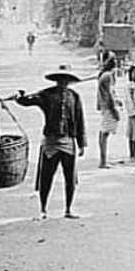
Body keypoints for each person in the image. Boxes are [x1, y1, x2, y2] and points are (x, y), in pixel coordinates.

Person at [15, 64, 86, 220]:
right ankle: (43, 209)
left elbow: (80, 120)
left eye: (66, 80)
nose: (63, 83)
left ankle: (68, 209)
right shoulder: (46, 95)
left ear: (69, 81)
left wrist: (81, 143)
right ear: (56, 80)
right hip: (51, 141)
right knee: (46, 175)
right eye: (60, 79)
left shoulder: (74, 97)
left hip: (68, 140)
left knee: (70, 177)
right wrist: (20, 97)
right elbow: (28, 101)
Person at [96, 51, 120, 168]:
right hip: (107, 107)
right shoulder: (108, 76)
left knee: (103, 133)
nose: (115, 62)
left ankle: (103, 160)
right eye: (113, 60)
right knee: (105, 133)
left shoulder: (104, 75)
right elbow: (109, 94)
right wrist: (114, 109)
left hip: (105, 106)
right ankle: (103, 161)